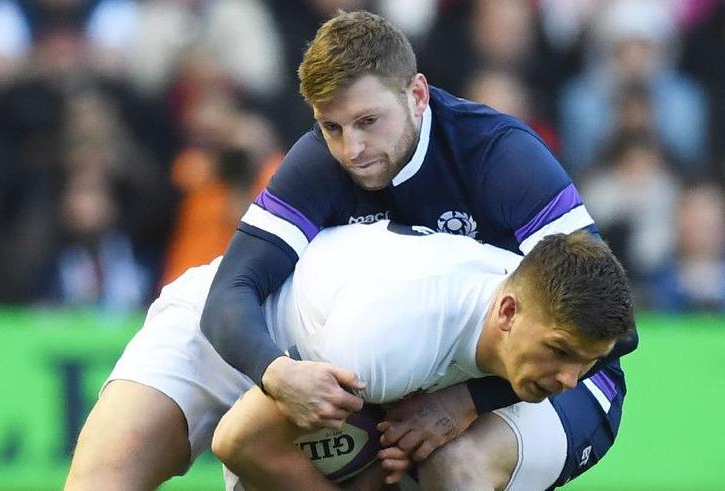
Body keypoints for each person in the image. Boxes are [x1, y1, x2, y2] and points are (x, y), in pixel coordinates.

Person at [66, 10, 637, 490]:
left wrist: (469, 400)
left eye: (368, 121)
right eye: (331, 127)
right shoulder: (320, 159)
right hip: (312, 345)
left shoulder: (498, 155)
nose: (353, 150)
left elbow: (612, 324)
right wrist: (274, 372)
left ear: (417, 95)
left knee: (456, 465)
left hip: (497, 365)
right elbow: (230, 292)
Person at [213, 226, 635, 490]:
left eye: (586, 360)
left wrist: (464, 402)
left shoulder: (536, 312)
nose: (568, 379)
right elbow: (238, 440)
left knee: (454, 465)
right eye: (558, 351)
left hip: (378, 358)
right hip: (245, 322)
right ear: (507, 312)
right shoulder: (382, 340)